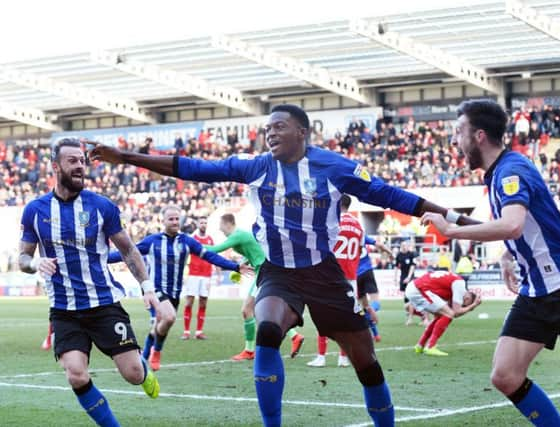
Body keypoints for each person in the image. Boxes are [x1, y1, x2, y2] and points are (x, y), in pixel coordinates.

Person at [89, 104, 478, 427]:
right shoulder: (255, 166)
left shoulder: (335, 167)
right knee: (269, 328)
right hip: (278, 271)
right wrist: (124, 157)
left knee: (365, 362)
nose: (270, 133)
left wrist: (461, 221)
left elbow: (391, 195)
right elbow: (191, 168)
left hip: (324, 273)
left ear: (302, 132)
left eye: (279, 127)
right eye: (267, 128)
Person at [421, 98, 560, 426]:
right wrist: (508, 254)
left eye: (459, 132)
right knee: (505, 375)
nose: (455, 142)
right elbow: (526, 226)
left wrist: (451, 230)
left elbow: (513, 224)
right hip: (536, 292)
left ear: (478, 136)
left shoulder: (510, 171)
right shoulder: (502, 172)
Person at [19, 138, 161, 427]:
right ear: (56, 167)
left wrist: (146, 286)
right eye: (73, 161)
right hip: (64, 309)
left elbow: (128, 249)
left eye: (83, 160)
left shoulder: (101, 206)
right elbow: (23, 257)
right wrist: (35, 263)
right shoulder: (35, 210)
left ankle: (143, 370)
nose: (80, 166)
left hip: (104, 304)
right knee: (76, 374)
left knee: (133, 374)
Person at [108, 205, 248, 371]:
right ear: (163, 221)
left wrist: (235, 266)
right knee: (169, 318)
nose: (175, 222)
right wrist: (102, 258)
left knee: (158, 327)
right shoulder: (152, 241)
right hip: (155, 290)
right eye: (171, 219)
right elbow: (126, 253)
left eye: (177, 219)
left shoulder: (187, 242)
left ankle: (144, 358)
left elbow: (209, 256)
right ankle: (156, 353)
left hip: (174, 293)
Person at [205, 213, 304, 361]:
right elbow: (254, 251)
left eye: (221, 227)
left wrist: (191, 245)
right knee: (257, 311)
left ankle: (250, 350)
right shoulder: (242, 235)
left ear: (228, 223)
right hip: (262, 270)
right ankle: (293, 336)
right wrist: (241, 266)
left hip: (264, 271)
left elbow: (215, 249)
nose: (220, 230)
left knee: (248, 310)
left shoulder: (237, 235)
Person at [307, 194, 364, 368]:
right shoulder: (359, 226)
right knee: (346, 317)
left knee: (321, 314)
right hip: (350, 277)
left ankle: (321, 357)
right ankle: (343, 357)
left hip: (330, 275)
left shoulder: (332, 222)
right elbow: (360, 250)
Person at [406, 270, 480, 356]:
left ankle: (420, 345)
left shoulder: (455, 285)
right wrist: (472, 306)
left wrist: (469, 307)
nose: (462, 305)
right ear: (467, 298)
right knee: (449, 314)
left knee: (440, 315)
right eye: (464, 304)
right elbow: (456, 312)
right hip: (419, 289)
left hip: (416, 287)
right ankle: (430, 346)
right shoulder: (460, 286)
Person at [181, 216, 214, 340]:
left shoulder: (210, 239)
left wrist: (217, 272)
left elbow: (212, 256)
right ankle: (186, 331)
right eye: (202, 223)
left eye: (205, 222)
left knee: (203, 303)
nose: (204, 225)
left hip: (206, 275)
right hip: (193, 274)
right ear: (198, 224)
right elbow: (185, 256)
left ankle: (199, 332)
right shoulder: (193, 239)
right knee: (189, 302)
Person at [356, 236, 394, 342]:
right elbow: (380, 245)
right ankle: (372, 309)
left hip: (355, 275)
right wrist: (390, 253)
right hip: (367, 271)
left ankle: (376, 335)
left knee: (364, 308)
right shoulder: (360, 234)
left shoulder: (343, 236)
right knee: (375, 303)